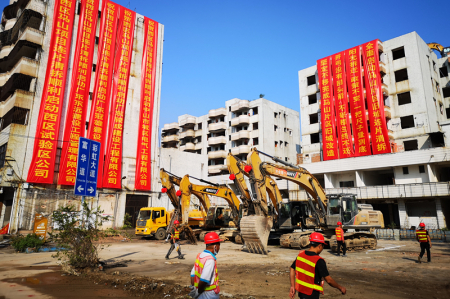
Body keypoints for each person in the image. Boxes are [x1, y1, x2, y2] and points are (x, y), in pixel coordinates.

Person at [289, 232, 346, 299]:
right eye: (323, 246)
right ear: (319, 246)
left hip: (301, 293)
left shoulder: (300, 256)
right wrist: (340, 288)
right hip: (312, 295)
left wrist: (292, 286)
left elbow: (292, 269)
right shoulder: (319, 261)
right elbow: (329, 280)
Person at [189, 232, 221, 299]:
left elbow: (192, 274)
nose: (219, 248)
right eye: (219, 245)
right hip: (209, 295)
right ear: (215, 246)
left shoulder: (199, 256)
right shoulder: (210, 260)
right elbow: (204, 280)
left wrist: (194, 289)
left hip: (200, 294)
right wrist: (197, 293)